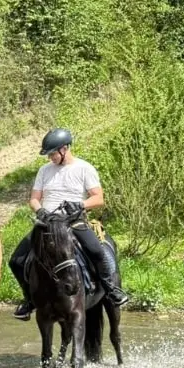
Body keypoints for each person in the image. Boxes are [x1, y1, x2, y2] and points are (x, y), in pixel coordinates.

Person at [9, 128, 131, 320]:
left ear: (64, 149)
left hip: (74, 222)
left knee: (98, 252)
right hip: (47, 225)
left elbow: (98, 198)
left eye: (52, 153)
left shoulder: (84, 168)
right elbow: (34, 199)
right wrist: (39, 209)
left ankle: (110, 289)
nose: (50, 158)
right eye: (49, 154)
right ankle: (29, 299)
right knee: (16, 260)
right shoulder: (44, 171)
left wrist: (80, 204)